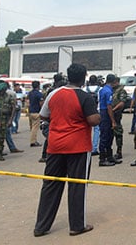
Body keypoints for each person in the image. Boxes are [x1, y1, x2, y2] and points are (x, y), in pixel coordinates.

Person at [33, 63, 100, 237]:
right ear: (84, 77)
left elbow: (43, 115)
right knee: (77, 186)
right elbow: (93, 120)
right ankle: (77, 225)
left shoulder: (54, 94)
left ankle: (41, 226)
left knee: (50, 185)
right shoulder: (85, 97)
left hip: (55, 145)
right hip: (78, 146)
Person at [0, 81, 23, 160]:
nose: (1, 92)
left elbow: (13, 108)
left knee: (1, 137)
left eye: (3, 91)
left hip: (5, 118)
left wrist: (10, 120)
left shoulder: (9, 96)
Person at [98, 74, 120, 167]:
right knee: (105, 136)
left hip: (103, 112)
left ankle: (109, 156)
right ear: (114, 82)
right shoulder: (108, 91)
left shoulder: (103, 89)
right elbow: (109, 106)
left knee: (109, 136)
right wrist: (113, 121)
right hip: (106, 114)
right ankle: (102, 159)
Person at [110, 75, 130, 160]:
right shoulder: (110, 90)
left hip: (116, 113)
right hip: (109, 113)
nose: (113, 84)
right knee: (109, 133)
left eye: (114, 82)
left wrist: (113, 110)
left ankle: (119, 151)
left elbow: (122, 103)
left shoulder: (121, 91)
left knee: (118, 132)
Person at [85, 75, 101, 156]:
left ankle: (85, 147)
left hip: (86, 111)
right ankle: (94, 148)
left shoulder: (85, 89)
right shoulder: (100, 89)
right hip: (96, 111)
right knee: (97, 130)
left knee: (85, 129)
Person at [28, 81, 43, 147]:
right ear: (38, 86)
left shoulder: (30, 93)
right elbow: (41, 103)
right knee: (35, 128)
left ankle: (33, 139)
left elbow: (28, 102)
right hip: (36, 112)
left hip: (31, 111)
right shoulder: (39, 94)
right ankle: (33, 141)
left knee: (32, 127)